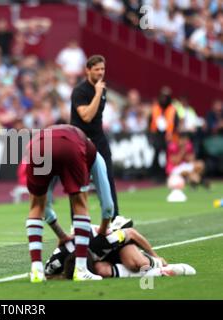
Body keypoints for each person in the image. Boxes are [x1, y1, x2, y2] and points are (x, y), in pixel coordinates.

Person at [25, 124, 112, 283]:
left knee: (36, 205)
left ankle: (36, 270)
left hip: (37, 143)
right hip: (69, 144)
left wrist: (62, 235)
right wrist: (103, 230)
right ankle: (81, 270)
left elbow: (46, 207)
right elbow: (107, 205)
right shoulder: (93, 154)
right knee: (80, 203)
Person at [70, 55, 130, 227]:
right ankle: (76, 222)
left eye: (102, 69)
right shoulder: (80, 91)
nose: (100, 72)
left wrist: (99, 91)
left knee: (107, 177)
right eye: (96, 69)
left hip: (98, 138)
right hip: (80, 139)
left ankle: (115, 217)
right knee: (78, 181)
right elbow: (86, 116)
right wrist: (97, 93)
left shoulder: (102, 89)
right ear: (88, 70)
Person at [45, 224, 196, 280]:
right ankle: (161, 273)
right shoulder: (57, 260)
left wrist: (156, 255)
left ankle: (158, 265)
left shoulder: (101, 240)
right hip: (98, 259)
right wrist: (63, 276)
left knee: (139, 264)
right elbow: (48, 275)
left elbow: (132, 233)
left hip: (116, 248)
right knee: (101, 270)